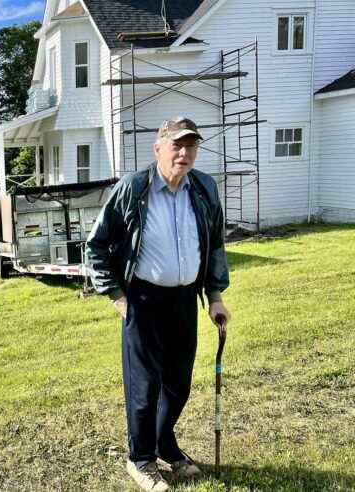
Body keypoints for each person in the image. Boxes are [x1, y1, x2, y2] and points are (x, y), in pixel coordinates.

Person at [85, 117, 231, 491]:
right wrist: (119, 299)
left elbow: (214, 244)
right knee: (144, 387)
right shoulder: (134, 188)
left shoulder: (204, 188)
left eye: (191, 146)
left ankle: (165, 444)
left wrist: (215, 297)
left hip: (185, 300)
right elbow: (96, 246)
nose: (184, 153)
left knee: (178, 384)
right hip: (143, 301)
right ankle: (141, 459)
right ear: (158, 148)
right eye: (176, 145)